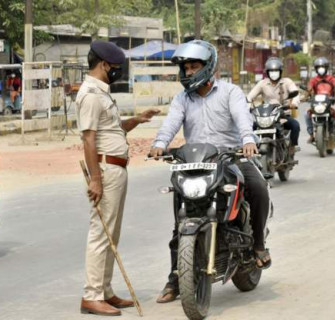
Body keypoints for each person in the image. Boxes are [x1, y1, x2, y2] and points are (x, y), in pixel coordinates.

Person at [149, 40, 271, 304]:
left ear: (209, 67)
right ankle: (176, 277)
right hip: (195, 163)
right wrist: (160, 144)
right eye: (186, 68)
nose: (189, 72)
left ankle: (258, 243)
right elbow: (171, 123)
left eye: (194, 66)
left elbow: (242, 118)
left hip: (230, 158)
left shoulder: (230, 92)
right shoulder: (182, 98)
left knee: (259, 187)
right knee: (180, 219)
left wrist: (248, 141)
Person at [76, 40, 160, 316]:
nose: (117, 72)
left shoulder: (102, 92)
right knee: (101, 234)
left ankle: (105, 291)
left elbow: (112, 129)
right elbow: (89, 140)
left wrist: (137, 120)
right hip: (106, 170)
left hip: (116, 169)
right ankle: (91, 295)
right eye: (115, 67)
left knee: (112, 233)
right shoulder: (90, 94)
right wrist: (95, 179)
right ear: (104, 65)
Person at [247, 57, 301, 155]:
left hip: (283, 114)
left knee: (295, 125)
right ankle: (250, 147)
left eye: (276, 71)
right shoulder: (262, 83)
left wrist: (294, 103)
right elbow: (250, 97)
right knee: (250, 127)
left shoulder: (287, 82)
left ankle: (292, 146)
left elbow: (295, 94)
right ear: (267, 72)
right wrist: (247, 105)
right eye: (271, 71)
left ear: (280, 72)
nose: (274, 73)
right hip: (267, 115)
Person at [304, 57, 335, 143]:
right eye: (319, 67)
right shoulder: (313, 80)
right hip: (317, 104)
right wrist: (305, 96)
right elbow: (309, 88)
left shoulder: (331, 79)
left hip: (330, 103)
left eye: (323, 67)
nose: (321, 69)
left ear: (326, 68)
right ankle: (311, 134)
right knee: (306, 114)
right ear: (316, 69)